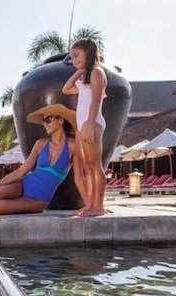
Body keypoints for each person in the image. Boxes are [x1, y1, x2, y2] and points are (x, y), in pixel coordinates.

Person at [0, 104, 82, 214]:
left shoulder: (73, 146)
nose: (45, 124)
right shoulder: (41, 144)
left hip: (38, 201)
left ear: (60, 120)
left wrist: (89, 205)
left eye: (48, 119)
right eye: (43, 121)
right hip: (22, 185)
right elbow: (22, 170)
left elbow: (79, 177)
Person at [62, 38, 108, 217]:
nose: (74, 60)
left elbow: (95, 100)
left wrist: (89, 124)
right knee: (88, 167)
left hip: (92, 122)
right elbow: (66, 89)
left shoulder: (97, 72)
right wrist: (79, 71)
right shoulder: (84, 78)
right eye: (72, 57)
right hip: (83, 125)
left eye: (76, 55)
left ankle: (98, 206)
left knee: (95, 166)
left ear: (88, 53)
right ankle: (90, 205)